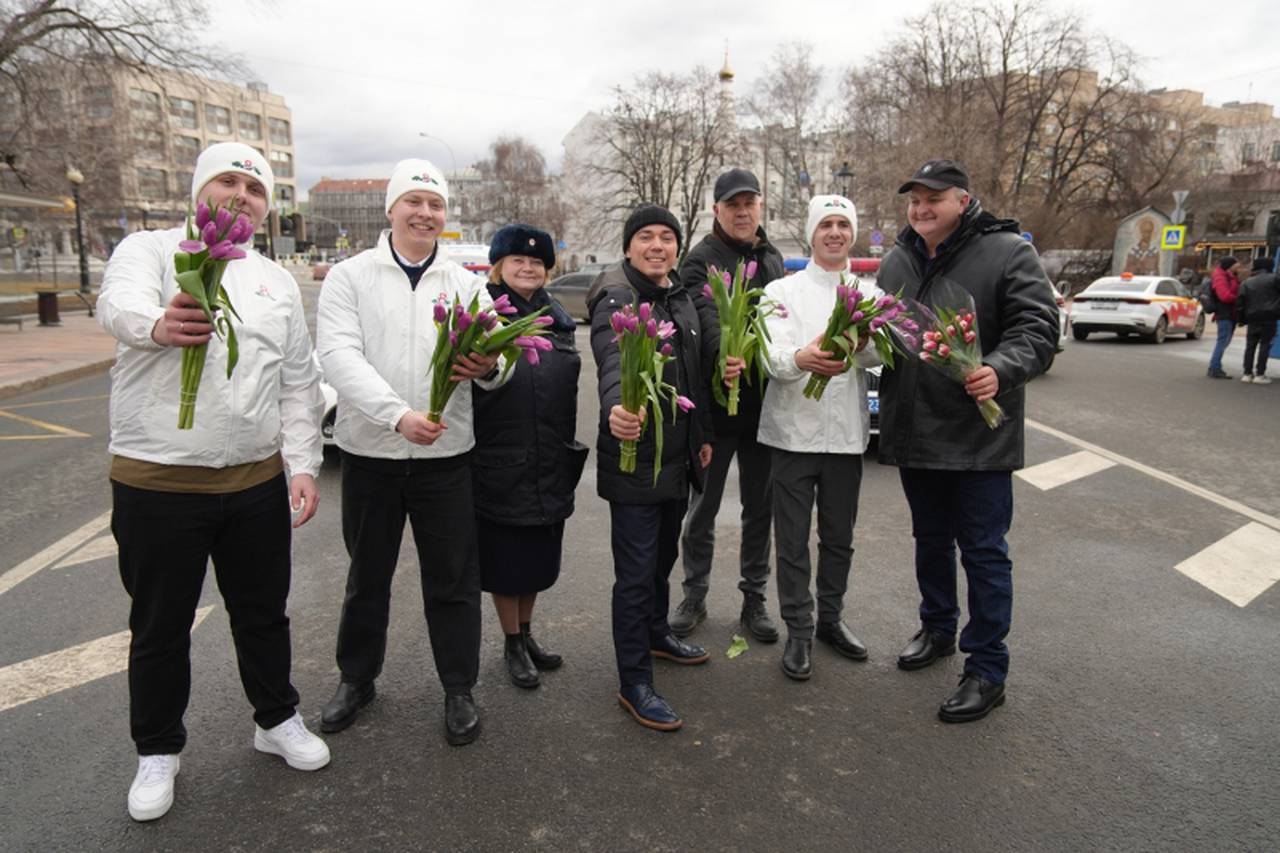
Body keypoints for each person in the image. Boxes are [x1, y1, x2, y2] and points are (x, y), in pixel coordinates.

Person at [98, 142, 329, 823]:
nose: (241, 195)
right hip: (157, 480)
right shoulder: (150, 250)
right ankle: (158, 749)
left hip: (253, 480)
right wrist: (159, 325)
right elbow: (118, 305)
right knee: (160, 624)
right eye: (227, 181)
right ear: (200, 190)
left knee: (263, 612)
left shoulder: (273, 280)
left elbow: (298, 383)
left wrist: (305, 463)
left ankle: (276, 718)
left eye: (254, 187)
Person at [315, 159, 504, 746]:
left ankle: (458, 687)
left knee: (451, 578)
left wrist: (491, 364)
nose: (425, 213)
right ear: (391, 209)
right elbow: (340, 358)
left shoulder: (465, 283)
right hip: (371, 453)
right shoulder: (351, 277)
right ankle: (357, 678)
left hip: (446, 457)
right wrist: (397, 416)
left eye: (436, 204)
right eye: (414, 201)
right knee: (366, 575)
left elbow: (503, 353)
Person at [876, 159, 1057, 723]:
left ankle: (987, 667)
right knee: (929, 539)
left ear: (962, 199)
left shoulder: (1007, 251)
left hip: (979, 435)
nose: (922, 208)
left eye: (934, 198)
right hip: (915, 429)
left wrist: (1001, 368)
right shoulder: (897, 260)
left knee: (982, 551)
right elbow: (884, 332)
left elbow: (1038, 327)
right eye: (914, 200)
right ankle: (937, 630)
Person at [588, 204, 731, 731]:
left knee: (661, 559)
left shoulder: (680, 296)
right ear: (628, 247)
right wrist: (615, 409)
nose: (656, 246)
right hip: (636, 461)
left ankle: (655, 631)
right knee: (635, 575)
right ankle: (634, 681)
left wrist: (706, 437)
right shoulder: (617, 298)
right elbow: (611, 359)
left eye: (666, 237)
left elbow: (694, 378)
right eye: (645, 237)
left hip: (678, 459)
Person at [760, 195, 881, 680]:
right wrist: (801, 360)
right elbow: (773, 355)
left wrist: (866, 345)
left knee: (839, 538)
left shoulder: (869, 292)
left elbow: (878, 360)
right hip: (792, 435)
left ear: (851, 234)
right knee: (792, 540)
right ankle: (799, 630)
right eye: (825, 225)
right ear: (811, 234)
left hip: (846, 438)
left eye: (842, 225)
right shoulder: (780, 290)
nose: (834, 232)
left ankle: (830, 618)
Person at [671, 168, 785, 644]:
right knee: (703, 507)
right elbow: (706, 316)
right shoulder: (700, 260)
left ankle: (753, 598)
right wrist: (724, 354)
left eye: (749, 203)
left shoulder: (771, 257)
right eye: (732, 205)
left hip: (764, 408)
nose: (742, 212)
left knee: (760, 509)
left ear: (760, 207)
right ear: (716, 211)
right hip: (717, 408)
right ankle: (694, 593)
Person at [473, 224, 588, 688]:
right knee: (508, 562)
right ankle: (511, 642)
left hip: (549, 455)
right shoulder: (485, 314)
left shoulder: (557, 317)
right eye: (518, 260)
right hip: (502, 456)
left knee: (538, 562)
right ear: (498, 267)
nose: (528, 267)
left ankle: (525, 632)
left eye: (537, 262)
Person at [1237, 256, 1280, 384]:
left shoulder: (1247, 282)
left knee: (1250, 345)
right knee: (1265, 345)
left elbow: (1240, 302)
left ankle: (1247, 373)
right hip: (1269, 316)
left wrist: (1241, 319)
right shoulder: (1275, 279)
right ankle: (1260, 374)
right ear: (1269, 266)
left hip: (1252, 317)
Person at [1207, 256, 1241, 379]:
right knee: (1222, 342)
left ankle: (1215, 367)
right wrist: (1239, 299)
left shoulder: (1230, 276)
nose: (1238, 266)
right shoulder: (1220, 277)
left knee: (1224, 342)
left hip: (1230, 313)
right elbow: (1224, 296)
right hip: (1224, 313)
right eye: (1236, 264)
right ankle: (1214, 368)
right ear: (1229, 266)